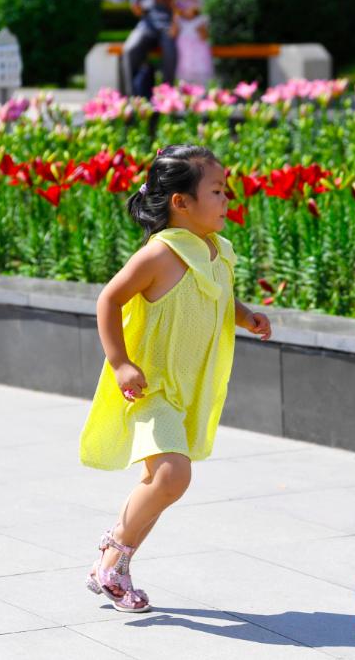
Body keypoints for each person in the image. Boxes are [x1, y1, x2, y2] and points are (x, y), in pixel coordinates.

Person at [80, 144, 273, 613]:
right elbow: (108, 300)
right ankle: (110, 557)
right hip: (151, 387)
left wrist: (244, 316)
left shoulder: (217, 251)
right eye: (216, 190)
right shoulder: (160, 255)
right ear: (180, 203)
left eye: (226, 190)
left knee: (163, 481)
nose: (228, 199)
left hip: (190, 386)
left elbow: (217, 297)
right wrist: (120, 361)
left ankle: (115, 566)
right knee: (171, 475)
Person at [123, 0, 177, 98]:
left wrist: (174, 22)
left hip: (167, 23)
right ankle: (132, 97)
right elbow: (138, 12)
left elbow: (177, 5)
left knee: (170, 53)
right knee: (130, 50)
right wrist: (136, 5)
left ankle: (167, 97)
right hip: (147, 24)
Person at [171, 0, 213, 87]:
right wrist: (175, 16)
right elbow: (173, 34)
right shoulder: (179, 21)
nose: (186, 8)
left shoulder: (201, 20)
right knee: (184, 83)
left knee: (200, 83)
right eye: (184, 5)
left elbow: (204, 37)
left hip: (199, 59)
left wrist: (201, 29)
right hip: (184, 58)